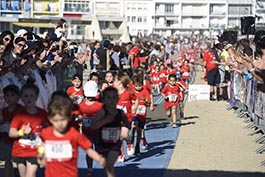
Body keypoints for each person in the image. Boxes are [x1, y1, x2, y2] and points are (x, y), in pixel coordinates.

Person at [37, 98, 106, 177]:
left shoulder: (73, 134)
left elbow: (88, 149)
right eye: (56, 120)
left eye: (63, 120)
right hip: (52, 173)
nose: (60, 124)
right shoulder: (46, 133)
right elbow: (42, 145)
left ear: (69, 118)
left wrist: (98, 158)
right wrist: (41, 154)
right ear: (50, 119)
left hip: (69, 173)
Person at [9, 83, 49, 177]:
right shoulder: (19, 115)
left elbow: (48, 128)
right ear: (21, 98)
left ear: (36, 97)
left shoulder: (42, 113)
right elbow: (11, 133)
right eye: (25, 96)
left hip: (35, 150)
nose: (29, 99)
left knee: (30, 175)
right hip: (20, 150)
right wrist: (21, 132)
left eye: (31, 96)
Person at [90, 87, 130, 177]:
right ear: (103, 100)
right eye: (108, 98)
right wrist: (105, 121)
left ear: (118, 99)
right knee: (107, 166)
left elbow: (127, 124)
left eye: (114, 97)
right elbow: (93, 126)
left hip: (115, 143)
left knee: (109, 164)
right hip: (102, 143)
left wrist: (125, 130)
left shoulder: (120, 113)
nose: (111, 100)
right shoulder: (102, 112)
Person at [78, 80, 103, 177]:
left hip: (97, 132)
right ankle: (90, 168)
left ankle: (91, 168)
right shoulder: (81, 106)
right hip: (87, 132)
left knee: (96, 150)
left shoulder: (99, 106)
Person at [113, 72, 138, 162]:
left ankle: (129, 142)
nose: (113, 82)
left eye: (114, 81)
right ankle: (121, 154)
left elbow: (136, 99)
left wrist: (135, 106)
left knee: (124, 134)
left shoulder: (128, 93)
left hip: (127, 118)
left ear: (119, 82)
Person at [0, 85, 24, 177]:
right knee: (7, 159)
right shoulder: (5, 110)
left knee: (19, 161)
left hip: (18, 139)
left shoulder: (20, 109)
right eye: (7, 95)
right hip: (7, 139)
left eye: (12, 95)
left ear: (18, 97)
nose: (9, 98)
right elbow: (3, 121)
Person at [131, 75, 151, 154]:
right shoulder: (131, 91)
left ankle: (137, 146)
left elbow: (149, 102)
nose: (138, 88)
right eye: (136, 86)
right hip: (134, 111)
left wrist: (145, 100)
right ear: (133, 85)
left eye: (140, 86)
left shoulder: (145, 91)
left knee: (140, 129)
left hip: (142, 112)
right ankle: (132, 139)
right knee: (133, 125)